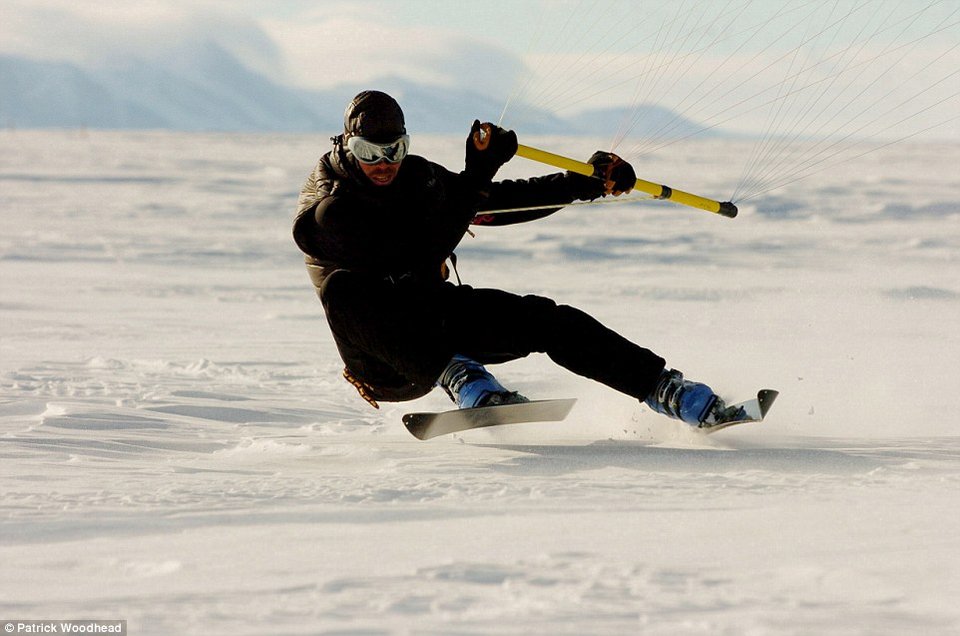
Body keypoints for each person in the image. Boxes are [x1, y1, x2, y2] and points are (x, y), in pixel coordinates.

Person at [293, 90, 724, 426]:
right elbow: (416, 252)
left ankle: (671, 393)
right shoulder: (329, 206)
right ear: (348, 145)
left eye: (395, 150)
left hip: (435, 316)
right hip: (387, 360)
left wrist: (584, 183)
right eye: (371, 153)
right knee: (342, 289)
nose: (384, 164)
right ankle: (461, 375)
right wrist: (478, 174)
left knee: (549, 320)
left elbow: (493, 205)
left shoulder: (416, 176)